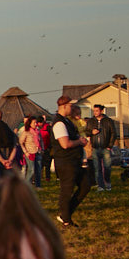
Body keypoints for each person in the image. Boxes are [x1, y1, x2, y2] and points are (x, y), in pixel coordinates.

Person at [50, 97, 92, 229]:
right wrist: (80, 142)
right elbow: (65, 144)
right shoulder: (59, 123)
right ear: (63, 106)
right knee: (66, 191)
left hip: (74, 161)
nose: (72, 108)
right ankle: (66, 220)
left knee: (85, 185)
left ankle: (65, 214)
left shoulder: (67, 121)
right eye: (70, 106)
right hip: (65, 162)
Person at [87, 104, 118, 191]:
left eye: (97, 111)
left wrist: (110, 145)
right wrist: (91, 132)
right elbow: (86, 131)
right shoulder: (91, 121)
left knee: (107, 167)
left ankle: (107, 183)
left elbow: (113, 133)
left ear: (101, 111)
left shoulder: (108, 121)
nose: (95, 112)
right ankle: (100, 186)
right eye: (94, 111)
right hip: (95, 147)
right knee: (97, 168)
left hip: (106, 147)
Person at [17, 117, 40, 188]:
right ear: (30, 124)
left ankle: (38, 185)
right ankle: (26, 185)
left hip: (38, 152)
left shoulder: (37, 131)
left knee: (38, 169)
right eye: (34, 123)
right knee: (31, 169)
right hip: (30, 152)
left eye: (36, 122)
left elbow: (40, 140)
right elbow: (21, 142)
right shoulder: (26, 132)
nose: (36, 124)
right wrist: (25, 152)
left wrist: (41, 149)